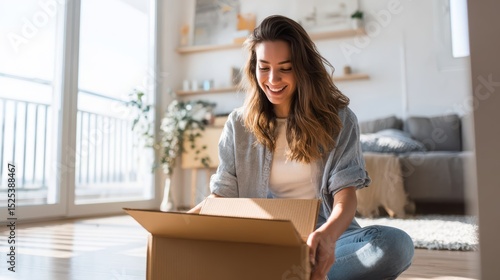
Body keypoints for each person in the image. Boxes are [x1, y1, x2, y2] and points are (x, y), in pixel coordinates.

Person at [189, 15, 414, 280]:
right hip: (265, 240)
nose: (273, 79)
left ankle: (289, 273)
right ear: (253, 68)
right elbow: (222, 195)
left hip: (326, 235)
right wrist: (180, 224)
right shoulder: (238, 124)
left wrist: (328, 237)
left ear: (302, 68)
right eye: (264, 67)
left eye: (285, 68)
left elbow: (345, 195)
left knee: (395, 245)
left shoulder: (338, 119)